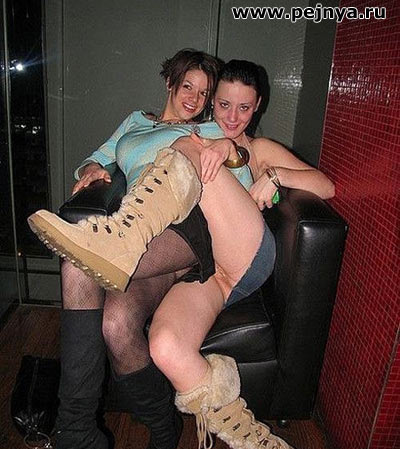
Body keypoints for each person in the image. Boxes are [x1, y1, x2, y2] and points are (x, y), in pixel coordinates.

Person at [28, 54, 334, 449]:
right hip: (202, 268)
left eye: (239, 106)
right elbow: (100, 155)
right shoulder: (138, 123)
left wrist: (271, 175)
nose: (229, 115)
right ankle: (140, 429)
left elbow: (316, 183)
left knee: (187, 149)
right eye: (218, 101)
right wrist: (91, 168)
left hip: (212, 238)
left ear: (256, 106)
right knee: (127, 327)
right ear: (170, 83)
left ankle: (74, 426)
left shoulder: (218, 137)